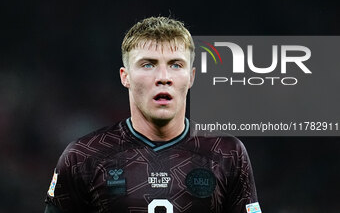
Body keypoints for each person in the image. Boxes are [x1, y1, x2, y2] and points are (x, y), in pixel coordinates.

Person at [44, 16, 261, 213]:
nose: (163, 77)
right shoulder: (82, 156)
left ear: (191, 77)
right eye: (148, 64)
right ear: (125, 76)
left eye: (176, 65)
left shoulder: (227, 154)